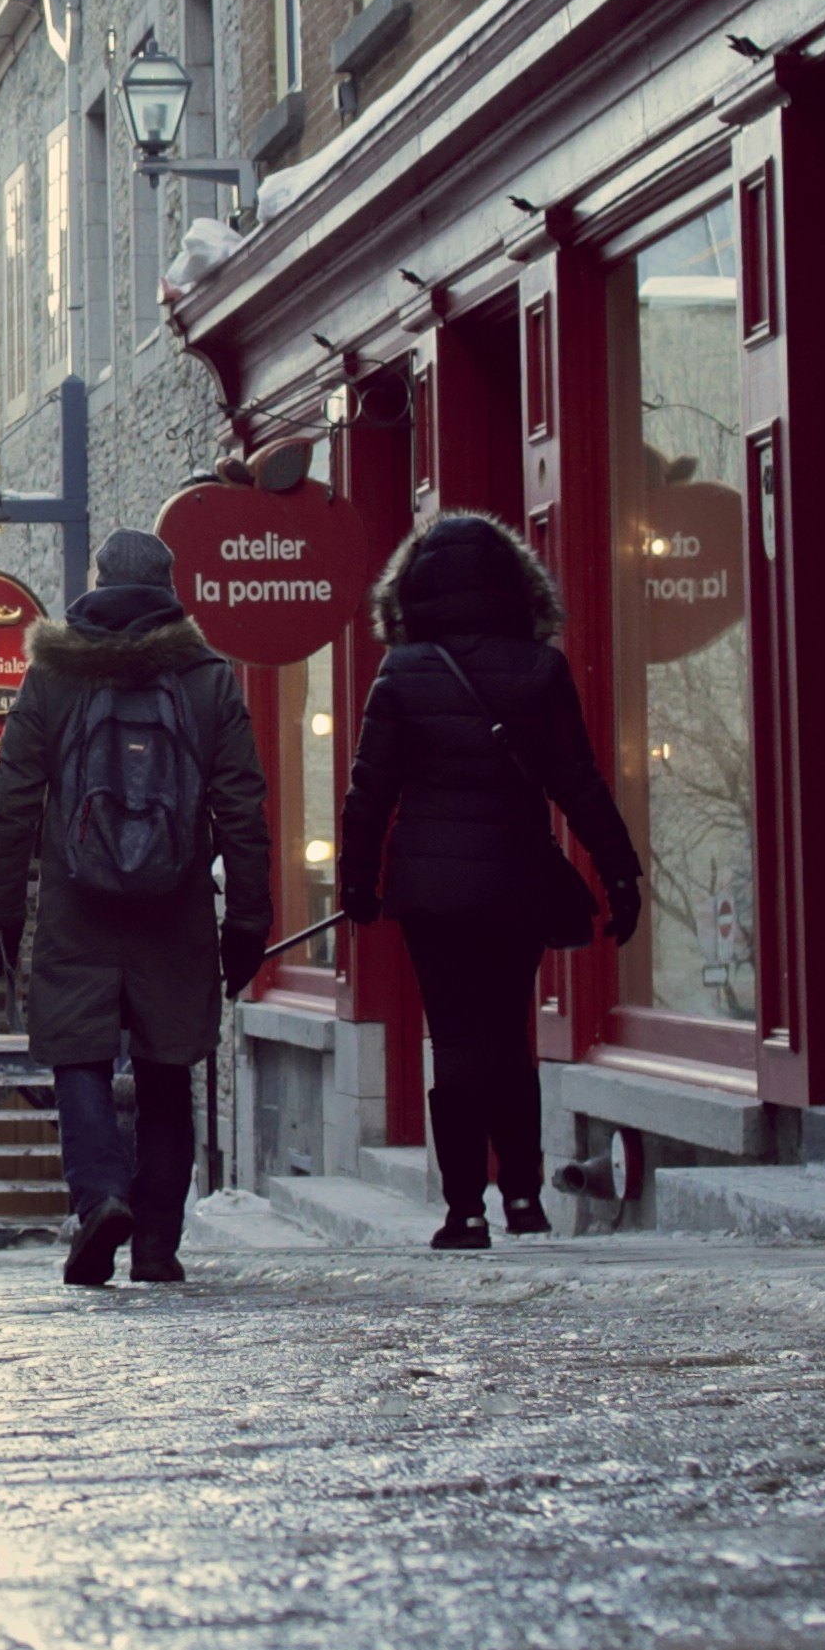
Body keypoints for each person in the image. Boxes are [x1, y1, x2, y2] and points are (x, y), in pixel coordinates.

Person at [336, 508, 641, 1253]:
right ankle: (526, 1199)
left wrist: (357, 883)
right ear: (515, 587)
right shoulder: (540, 669)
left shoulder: (402, 673)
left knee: (456, 1040)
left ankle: (463, 1208)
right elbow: (579, 782)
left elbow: (368, 790)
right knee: (510, 1035)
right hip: (514, 879)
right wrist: (619, 871)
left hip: (431, 892)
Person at [0, 528, 269, 1286]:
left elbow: (12, 800)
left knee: (78, 1055)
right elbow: (242, 806)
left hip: (80, 905)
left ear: (99, 583)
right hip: (174, 909)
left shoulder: (53, 675)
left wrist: (3, 909)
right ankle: (156, 1245)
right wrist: (248, 918)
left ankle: (100, 1195)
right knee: (168, 1066)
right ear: (170, 587)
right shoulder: (208, 679)